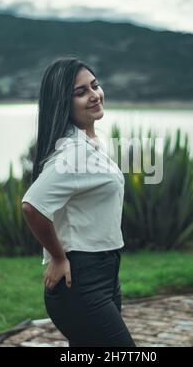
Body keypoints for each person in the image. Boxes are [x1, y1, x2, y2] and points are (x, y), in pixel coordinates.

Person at [21, 57, 136, 347]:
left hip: (105, 273)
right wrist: (58, 257)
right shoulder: (73, 153)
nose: (94, 94)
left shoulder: (89, 144)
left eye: (95, 86)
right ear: (63, 102)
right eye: (81, 92)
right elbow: (32, 206)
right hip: (81, 281)